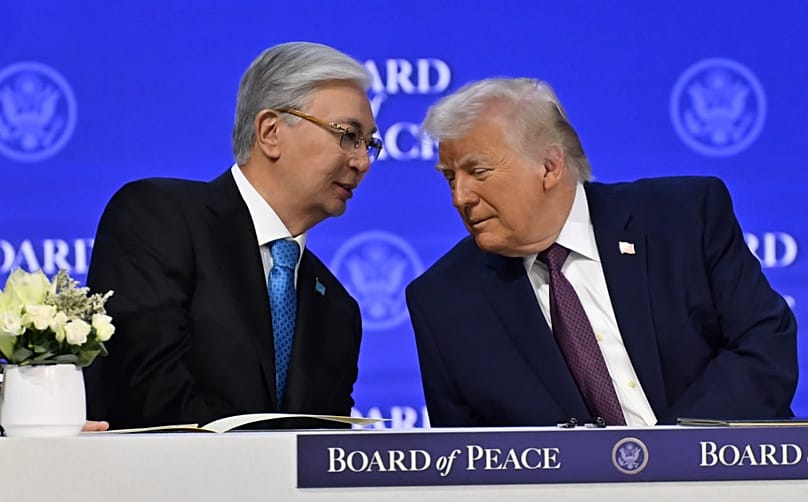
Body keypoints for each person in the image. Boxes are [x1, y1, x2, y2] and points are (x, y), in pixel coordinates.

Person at [406, 77, 797, 427]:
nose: (460, 197)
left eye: (479, 172)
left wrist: (668, 459)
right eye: (449, 177)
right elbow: (467, 460)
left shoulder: (682, 219)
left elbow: (763, 346)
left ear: (549, 165)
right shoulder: (445, 299)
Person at [85, 42, 382, 429]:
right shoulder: (160, 218)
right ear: (271, 131)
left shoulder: (338, 309)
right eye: (347, 135)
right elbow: (149, 395)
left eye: (369, 144)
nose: (361, 162)